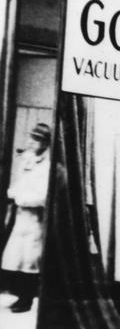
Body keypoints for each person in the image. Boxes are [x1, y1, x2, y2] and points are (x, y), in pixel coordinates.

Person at [1, 123, 51, 313]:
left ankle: (27, 299)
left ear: (45, 143)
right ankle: (19, 296)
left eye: (36, 139)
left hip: (35, 218)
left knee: (30, 260)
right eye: (31, 137)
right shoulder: (27, 160)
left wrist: (21, 199)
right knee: (15, 257)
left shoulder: (47, 166)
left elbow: (43, 197)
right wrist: (10, 194)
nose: (31, 142)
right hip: (19, 216)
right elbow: (19, 183)